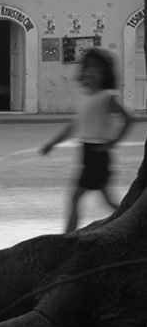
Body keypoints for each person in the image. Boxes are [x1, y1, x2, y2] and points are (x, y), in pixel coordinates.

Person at [40, 47, 133, 232]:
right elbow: (75, 126)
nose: (91, 71)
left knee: (76, 197)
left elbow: (129, 118)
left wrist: (113, 142)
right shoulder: (87, 97)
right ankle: (132, 222)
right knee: (107, 200)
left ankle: (68, 238)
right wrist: (53, 143)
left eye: (96, 67)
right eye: (88, 67)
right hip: (88, 153)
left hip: (98, 155)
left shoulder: (107, 97)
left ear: (105, 72)